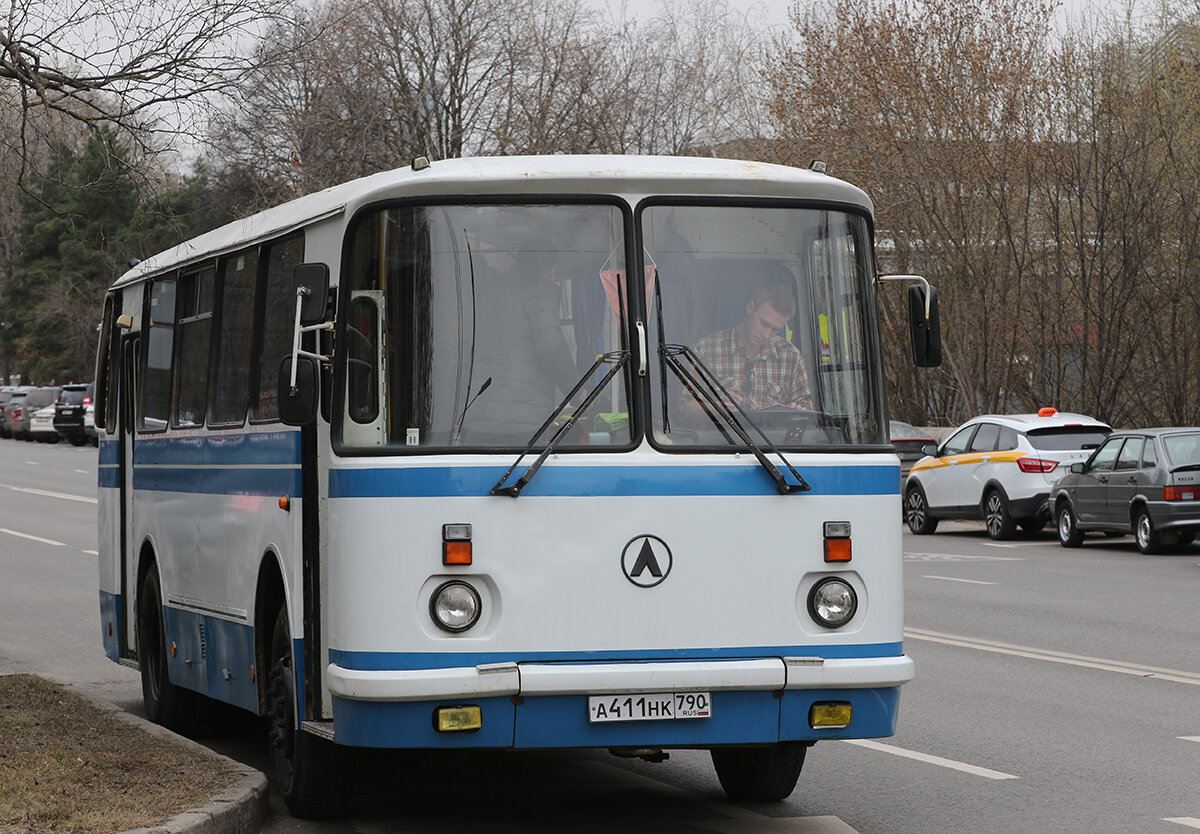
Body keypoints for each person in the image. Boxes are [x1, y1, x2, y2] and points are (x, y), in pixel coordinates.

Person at [681, 282, 812, 423]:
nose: (766, 334)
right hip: (721, 436)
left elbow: (806, 407)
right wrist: (716, 406)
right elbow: (684, 409)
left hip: (773, 438)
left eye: (775, 329)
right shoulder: (705, 350)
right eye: (764, 323)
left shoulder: (790, 356)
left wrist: (797, 410)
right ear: (750, 307)